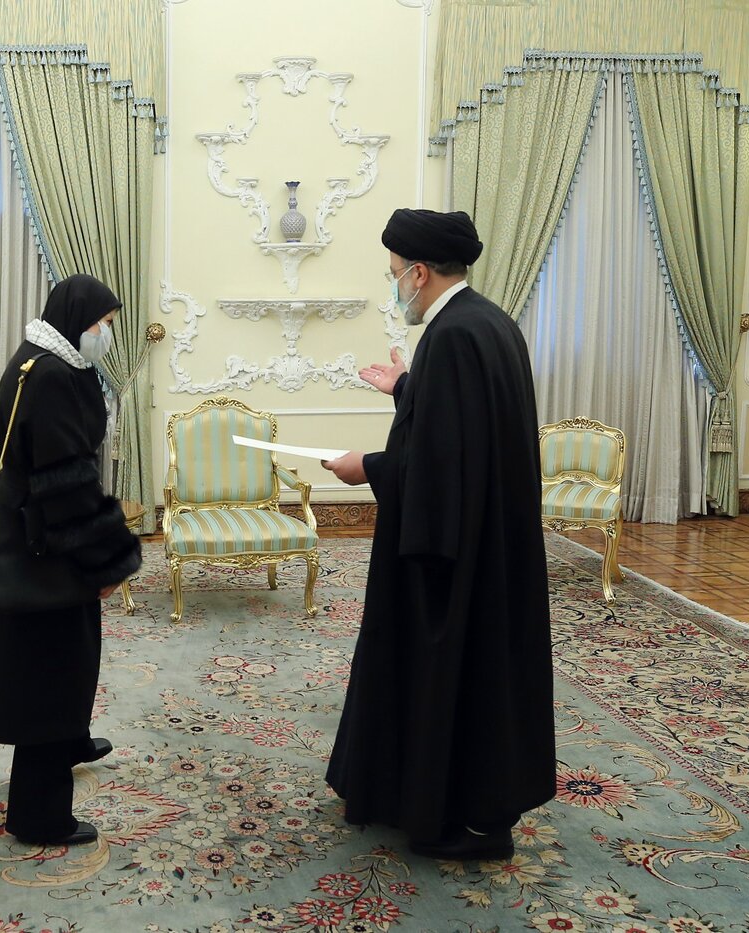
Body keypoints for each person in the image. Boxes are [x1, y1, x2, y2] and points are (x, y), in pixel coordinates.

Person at [320, 208, 553, 861]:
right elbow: (464, 429)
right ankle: (449, 804)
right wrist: (407, 387)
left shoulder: (451, 336)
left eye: (395, 273)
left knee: (452, 675)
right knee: (482, 673)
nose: (395, 285)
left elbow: (439, 464)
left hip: (454, 555)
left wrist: (366, 467)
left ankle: (469, 823)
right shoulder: (489, 321)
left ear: (419, 273)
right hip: (488, 541)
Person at [0, 274, 143, 847]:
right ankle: (40, 818)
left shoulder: (42, 360)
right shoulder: (52, 377)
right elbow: (67, 484)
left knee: (66, 660)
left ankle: (71, 738)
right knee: (52, 672)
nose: (108, 334)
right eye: (105, 324)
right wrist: (106, 563)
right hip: (49, 544)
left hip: (34, 532)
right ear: (78, 320)